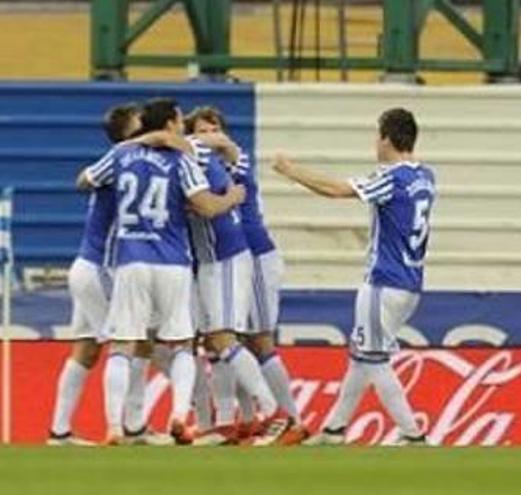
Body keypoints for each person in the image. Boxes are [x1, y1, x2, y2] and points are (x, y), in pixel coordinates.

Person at [80, 98, 245, 445]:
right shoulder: (180, 160)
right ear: (170, 124)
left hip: (131, 261)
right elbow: (206, 206)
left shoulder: (122, 155)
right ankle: (179, 417)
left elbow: (84, 181)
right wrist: (233, 197)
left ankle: (113, 426)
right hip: (172, 262)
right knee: (182, 344)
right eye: (179, 122)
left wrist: (128, 147)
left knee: (122, 345)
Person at [274, 108, 434, 446]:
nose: (375, 143)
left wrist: (291, 171)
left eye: (377, 135)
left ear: (388, 138)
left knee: (374, 358)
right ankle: (334, 429)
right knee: (362, 353)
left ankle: (413, 434)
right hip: (411, 281)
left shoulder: (392, 176)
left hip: (385, 281)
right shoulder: (425, 176)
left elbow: (335, 190)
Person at [186, 107, 301, 440]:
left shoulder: (235, 162)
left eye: (214, 129)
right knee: (224, 340)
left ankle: (290, 419)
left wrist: (200, 141)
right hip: (233, 259)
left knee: (259, 341)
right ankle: (243, 418)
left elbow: (232, 160)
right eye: (201, 131)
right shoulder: (204, 168)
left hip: (257, 257)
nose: (209, 136)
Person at [47, 103, 141, 446]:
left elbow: (85, 180)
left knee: (86, 349)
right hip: (101, 266)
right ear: (129, 130)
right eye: (139, 121)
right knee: (127, 342)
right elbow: (82, 181)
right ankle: (126, 427)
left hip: (87, 266)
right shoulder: (123, 158)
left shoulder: (124, 160)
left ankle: (59, 431)